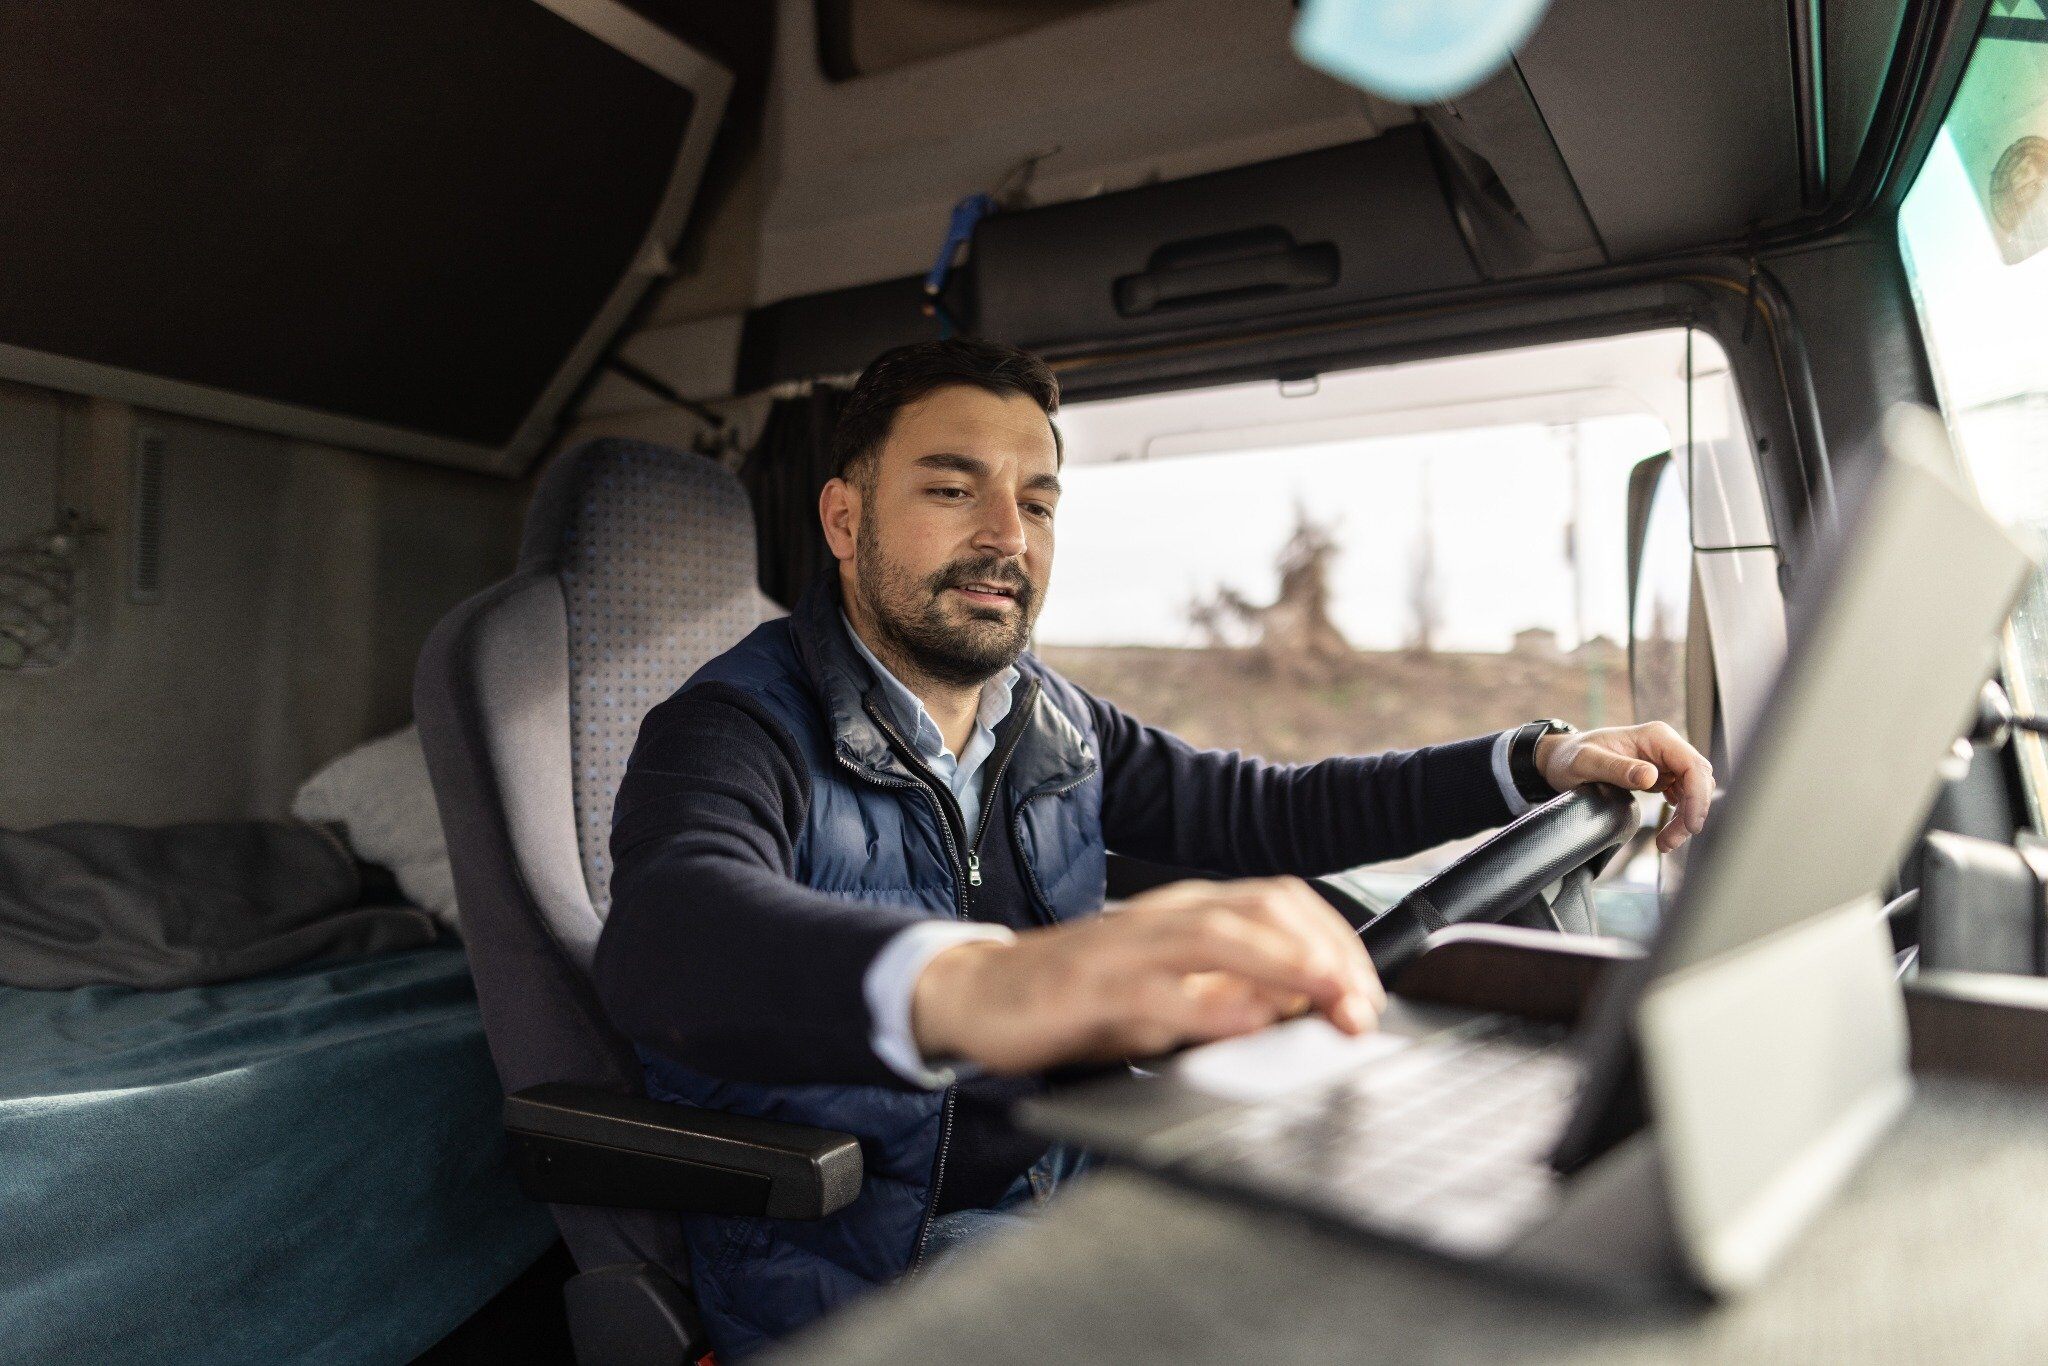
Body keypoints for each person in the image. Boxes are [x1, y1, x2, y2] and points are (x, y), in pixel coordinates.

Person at [592, 338, 1714, 1356]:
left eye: (1036, 503)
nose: (1004, 538)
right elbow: (667, 932)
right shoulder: (733, 723)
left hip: (1080, 1151)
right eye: (950, 490)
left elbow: (1260, 812)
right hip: (876, 1242)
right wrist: (984, 977)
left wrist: (1530, 761)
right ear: (844, 521)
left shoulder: (1043, 716)